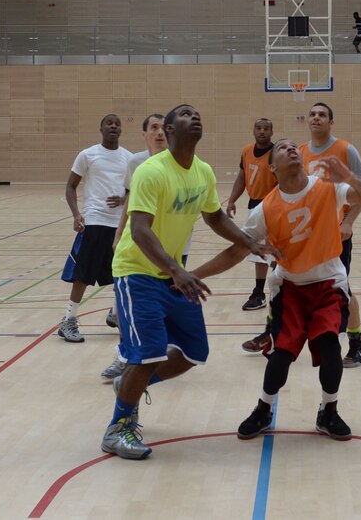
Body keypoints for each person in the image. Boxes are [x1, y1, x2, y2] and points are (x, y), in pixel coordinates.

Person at [101, 104, 279, 460]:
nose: (194, 116)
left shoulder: (203, 172)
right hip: (138, 272)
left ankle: (130, 386)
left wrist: (249, 242)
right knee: (149, 351)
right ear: (168, 130)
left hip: (172, 273)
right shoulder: (151, 171)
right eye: (184, 114)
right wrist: (177, 271)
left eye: (197, 113)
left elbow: (214, 217)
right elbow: (138, 230)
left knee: (193, 353)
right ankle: (118, 427)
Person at [193, 140, 361, 440]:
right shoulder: (266, 208)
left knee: (331, 348)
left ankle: (328, 412)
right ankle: (264, 409)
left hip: (329, 283)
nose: (292, 149)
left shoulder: (328, 188)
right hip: (289, 287)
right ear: (272, 167)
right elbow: (235, 252)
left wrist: (348, 176)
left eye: (295, 146)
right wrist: (191, 274)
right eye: (283, 148)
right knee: (281, 355)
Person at [243, 102, 361, 368]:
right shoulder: (298, 151)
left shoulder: (346, 150)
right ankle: (272, 331)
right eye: (312, 114)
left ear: (331, 122)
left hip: (332, 233)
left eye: (322, 115)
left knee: (344, 288)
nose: (316, 118)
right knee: (280, 282)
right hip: (296, 235)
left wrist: (348, 222)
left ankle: (357, 342)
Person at [100, 113, 168, 382]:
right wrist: (118, 233)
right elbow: (130, 199)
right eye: (154, 127)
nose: (160, 132)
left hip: (170, 247)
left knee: (163, 305)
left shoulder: (180, 163)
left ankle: (158, 357)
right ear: (144, 134)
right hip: (137, 242)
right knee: (129, 306)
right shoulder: (136, 162)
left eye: (164, 128)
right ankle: (125, 355)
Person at [59, 114, 132, 343]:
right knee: (83, 274)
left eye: (117, 123)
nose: (113, 126)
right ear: (101, 128)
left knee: (122, 272)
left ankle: (116, 314)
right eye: (109, 123)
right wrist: (76, 214)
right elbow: (71, 186)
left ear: (121, 130)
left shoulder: (129, 159)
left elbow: (132, 191)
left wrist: (122, 200)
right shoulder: (88, 155)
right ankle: (68, 320)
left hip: (119, 224)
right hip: (94, 220)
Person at [227, 118, 277, 311]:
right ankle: (259, 292)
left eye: (266, 128)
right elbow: (242, 177)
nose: (262, 131)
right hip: (254, 206)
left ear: (272, 132)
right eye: (259, 128)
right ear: (253, 130)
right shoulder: (247, 150)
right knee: (258, 252)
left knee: (274, 251)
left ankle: (278, 290)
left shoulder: (276, 153)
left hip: (272, 206)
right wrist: (232, 200)